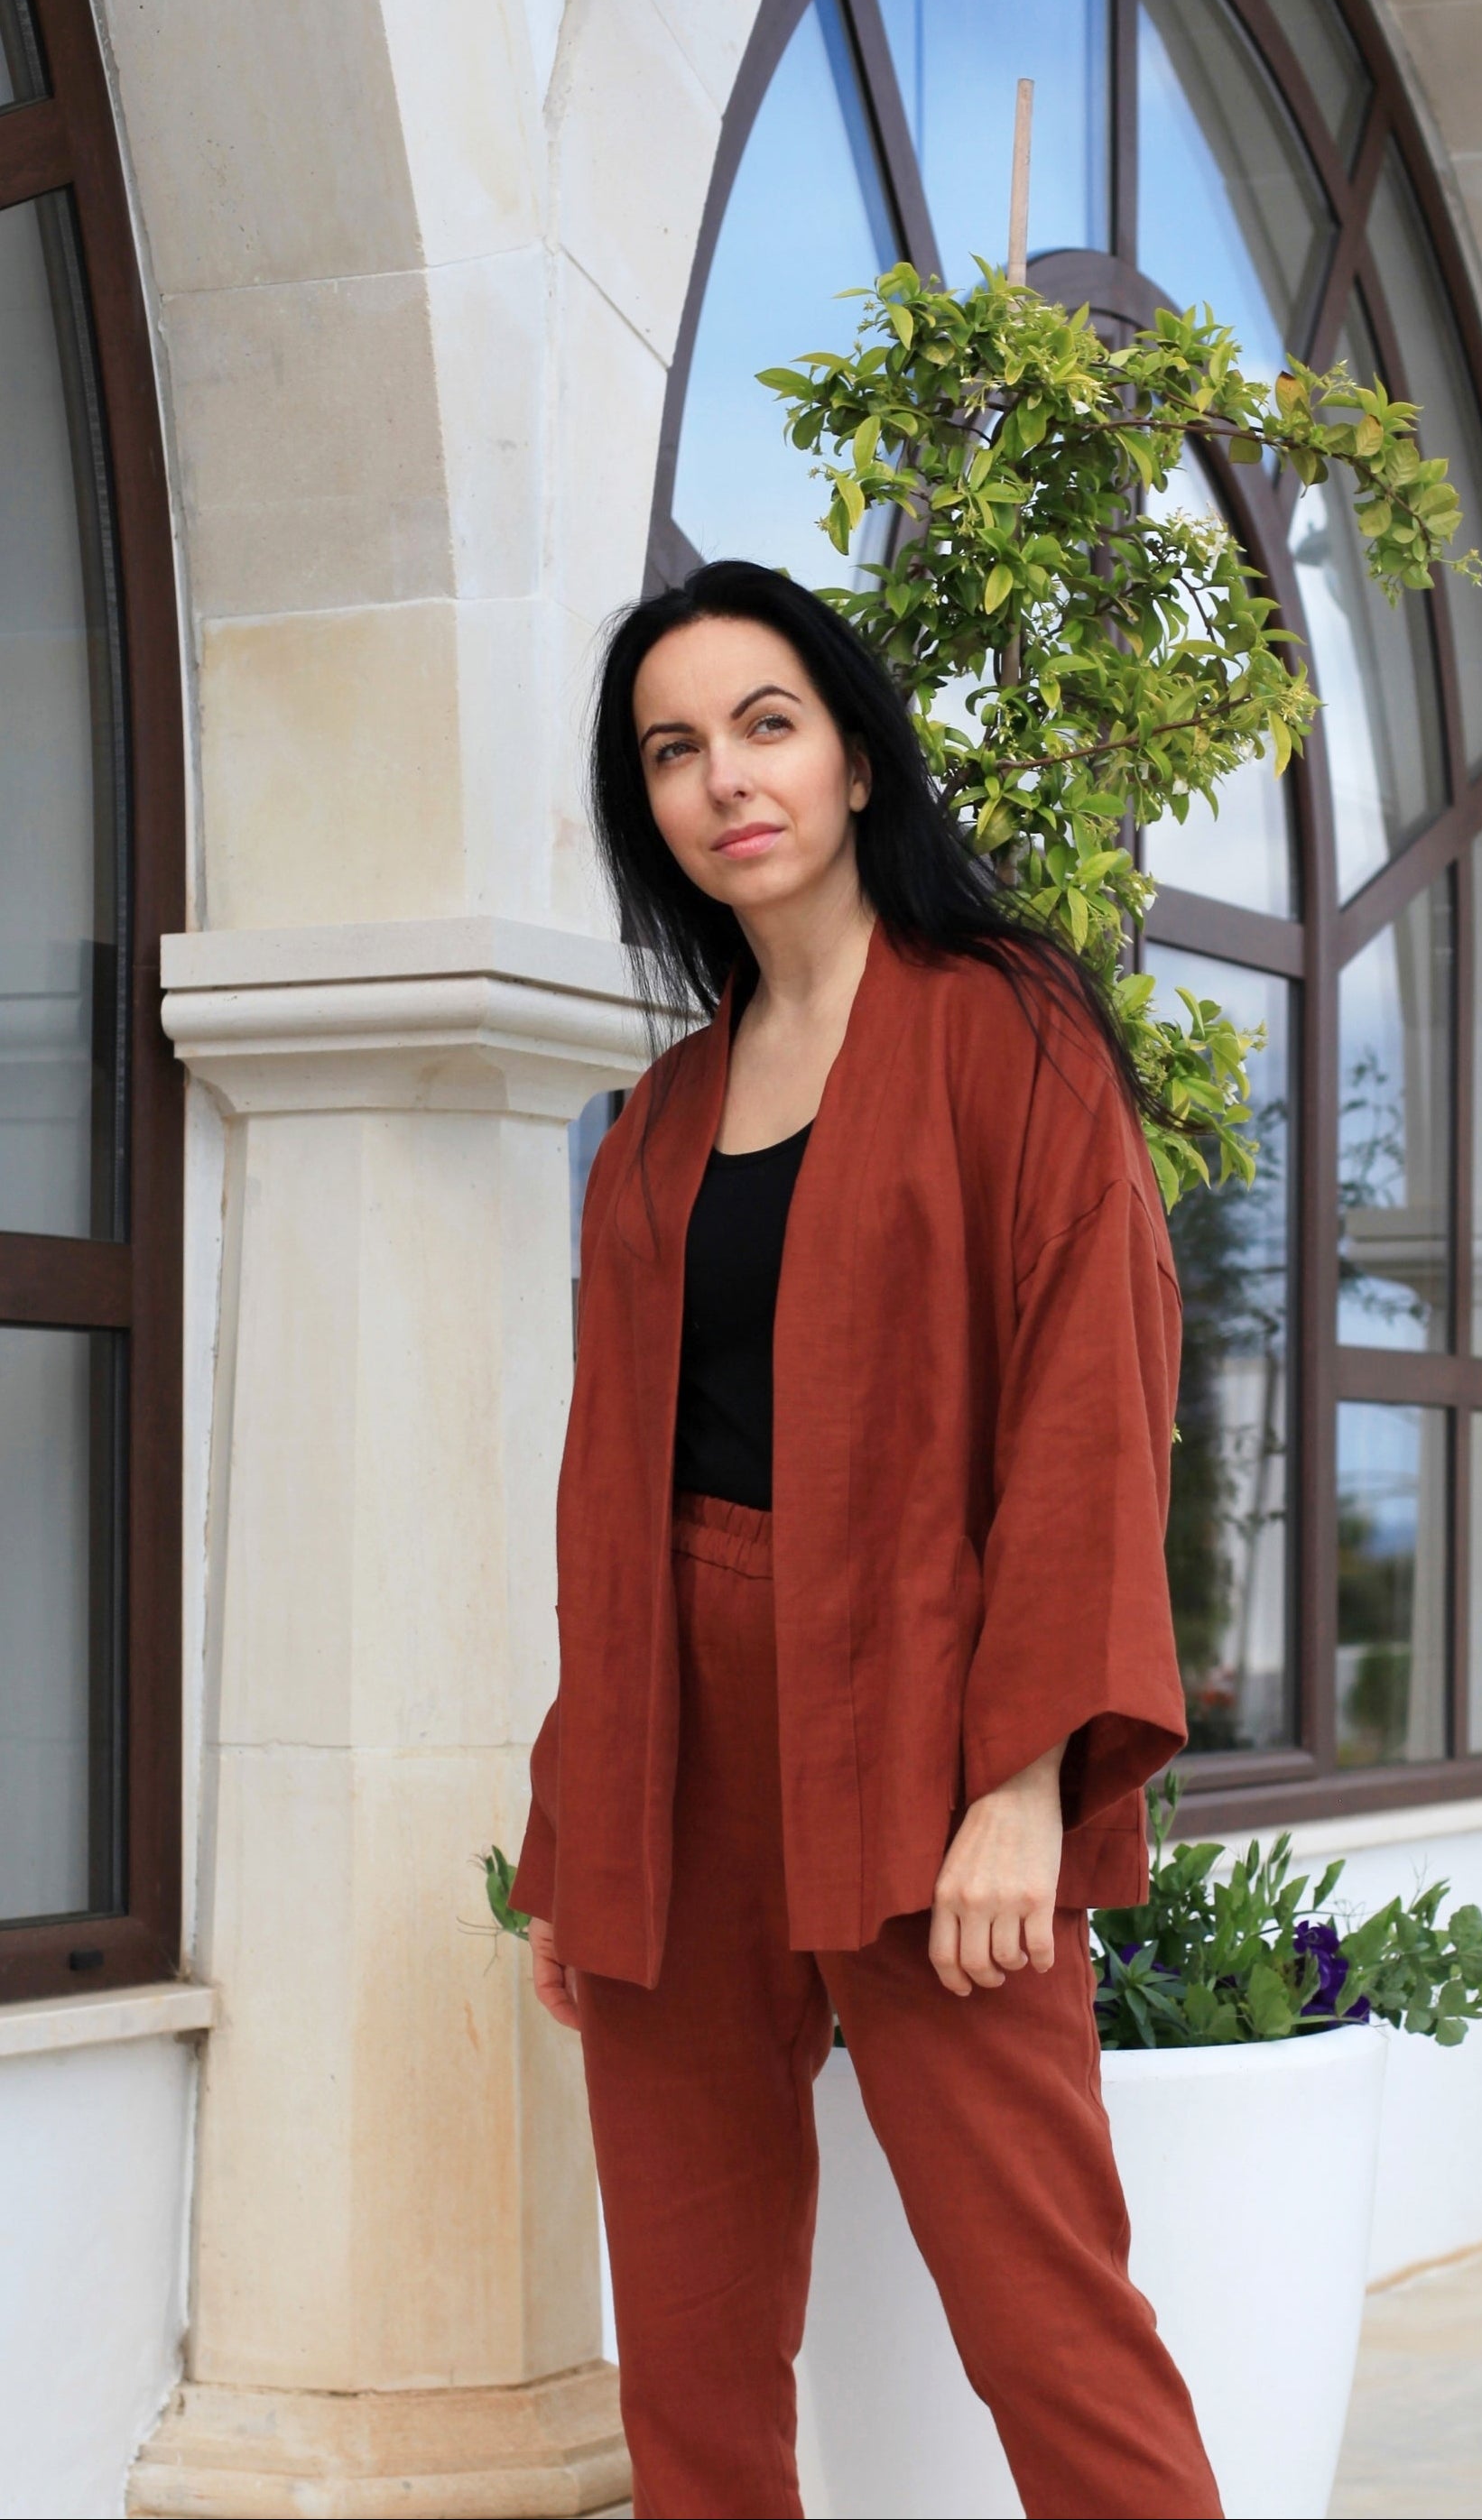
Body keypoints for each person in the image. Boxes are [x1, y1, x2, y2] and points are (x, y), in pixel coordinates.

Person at [510, 558, 1221, 2520]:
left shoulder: (1010, 1031)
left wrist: (1024, 1781)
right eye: (674, 749)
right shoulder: (659, 1119)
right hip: (676, 1754)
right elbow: (603, 1500)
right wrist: (581, 1832)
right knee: (693, 2349)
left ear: (845, 755)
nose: (726, 779)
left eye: (765, 725)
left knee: (1043, 2315)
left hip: (922, 1717)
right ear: (646, 806)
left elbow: (1092, 1407)